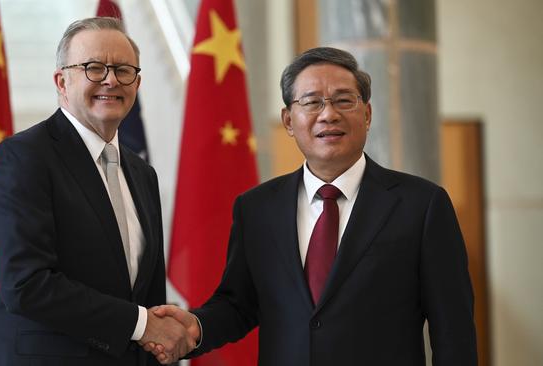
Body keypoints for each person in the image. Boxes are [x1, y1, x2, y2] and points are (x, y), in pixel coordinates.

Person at [148, 47, 478, 365]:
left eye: (344, 101)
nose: (329, 114)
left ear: (367, 113)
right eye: (312, 102)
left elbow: (453, 330)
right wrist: (197, 326)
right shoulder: (257, 209)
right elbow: (239, 304)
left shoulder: (421, 205)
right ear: (289, 120)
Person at [0, 17, 194, 366]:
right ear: (61, 81)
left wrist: (158, 334)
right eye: (93, 68)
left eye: (123, 69)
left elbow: (146, 296)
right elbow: (25, 284)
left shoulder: (143, 175)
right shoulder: (23, 157)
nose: (110, 79)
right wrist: (142, 325)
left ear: (137, 83)